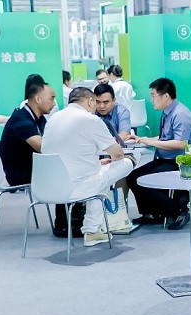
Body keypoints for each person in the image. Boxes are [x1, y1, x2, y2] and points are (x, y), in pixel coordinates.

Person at [42, 87, 136, 247]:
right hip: (78, 187)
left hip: (48, 187)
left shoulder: (53, 119)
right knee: (126, 162)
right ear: (90, 101)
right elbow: (118, 154)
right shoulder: (91, 120)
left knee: (101, 177)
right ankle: (91, 230)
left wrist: (98, 164)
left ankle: (93, 231)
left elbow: (69, 155)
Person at [125, 78, 191, 230]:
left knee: (143, 181)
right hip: (165, 159)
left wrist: (151, 142)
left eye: (154, 96)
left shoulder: (180, 114)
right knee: (133, 178)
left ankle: (178, 210)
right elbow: (165, 138)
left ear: (165, 96)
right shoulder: (168, 112)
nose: (152, 100)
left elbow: (180, 143)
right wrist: (142, 139)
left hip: (180, 163)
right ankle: (152, 213)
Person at [0, 81, 55, 187]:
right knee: (67, 172)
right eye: (51, 99)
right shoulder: (21, 119)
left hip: (32, 167)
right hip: (19, 174)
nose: (54, 104)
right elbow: (43, 147)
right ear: (38, 99)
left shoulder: (40, 118)